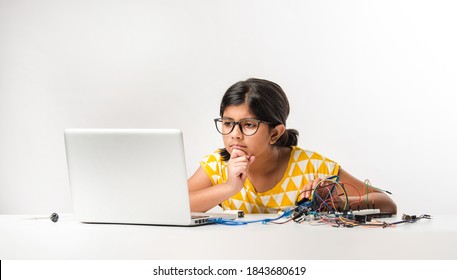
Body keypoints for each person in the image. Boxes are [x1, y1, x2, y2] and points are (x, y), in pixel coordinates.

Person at [188, 78, 397, 215]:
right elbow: (173, 205)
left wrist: (338, 201)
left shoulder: (311, 166)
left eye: (248, 125)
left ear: (275, 133)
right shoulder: (217, 166)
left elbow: (386, 203)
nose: (235, 135)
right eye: (227, 123)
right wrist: (229, 187)